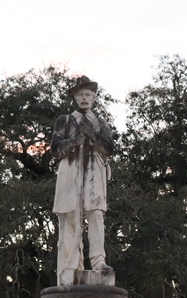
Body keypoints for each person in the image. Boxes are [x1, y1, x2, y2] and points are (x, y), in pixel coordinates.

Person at [51, 75, 114, 284]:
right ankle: (71, 264)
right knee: (70, 217)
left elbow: (110, 148)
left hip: (94, 170)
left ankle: (98, 261)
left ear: (94, 98)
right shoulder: (65, 120)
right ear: (75, 98)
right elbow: (54, 147)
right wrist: (72, 142)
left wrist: (93, 138)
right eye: (81, 95)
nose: (85, 98)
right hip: (70, 171)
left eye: (88, 94)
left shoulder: (101, 122)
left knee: (95, 214)